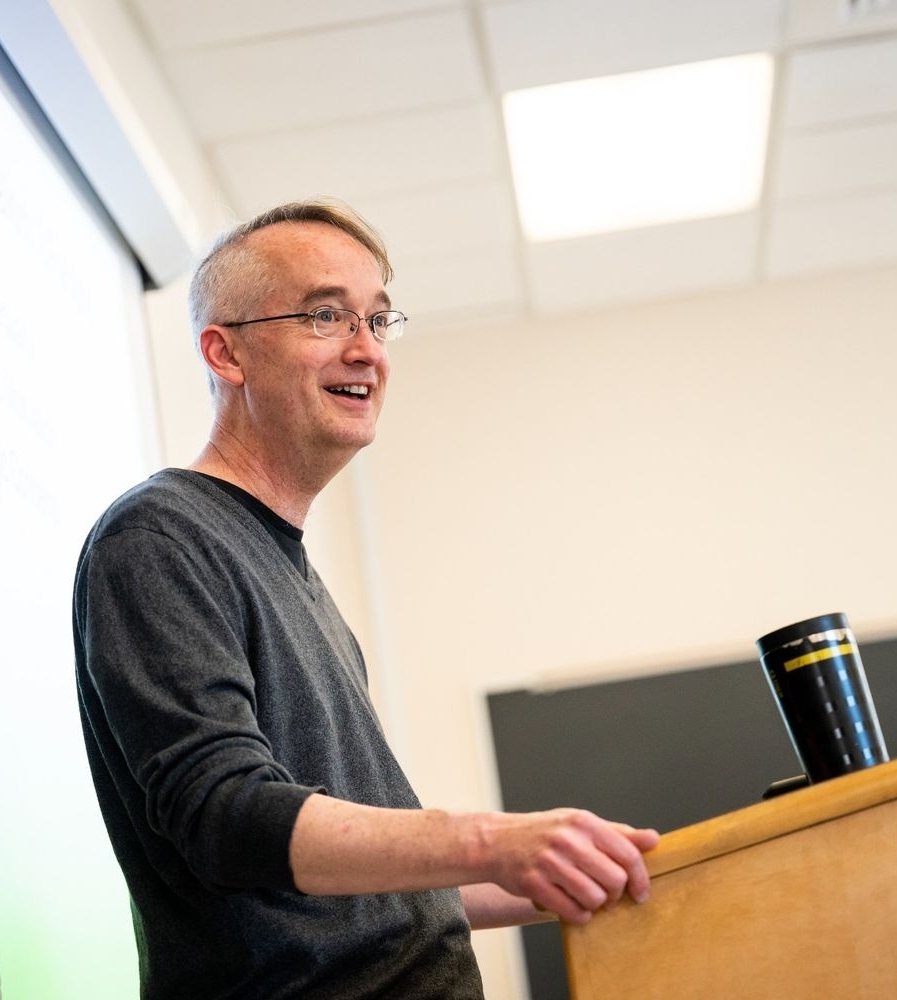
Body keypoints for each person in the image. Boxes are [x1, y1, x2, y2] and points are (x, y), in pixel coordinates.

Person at [73, 199, 660, 999]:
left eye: (380, 321)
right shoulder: (159, 537)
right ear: (225, 353)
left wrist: (575, 867)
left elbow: (343, 888)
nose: (366, 350)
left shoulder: (303, 585)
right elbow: (226, 817)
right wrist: (489, 839)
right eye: (326, 315)